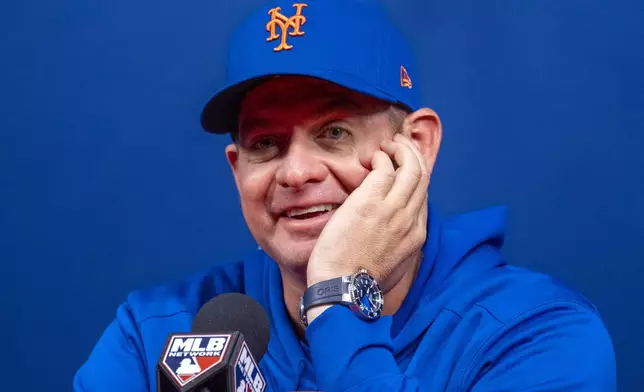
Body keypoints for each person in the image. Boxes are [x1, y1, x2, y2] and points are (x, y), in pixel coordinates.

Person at [73, 0, 617, 391]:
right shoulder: (156, 332)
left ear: (418, 148)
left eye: (334, 132)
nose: (296, 173)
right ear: (237, 170)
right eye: (266, 143)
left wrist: (339, 299)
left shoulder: (535, 337)